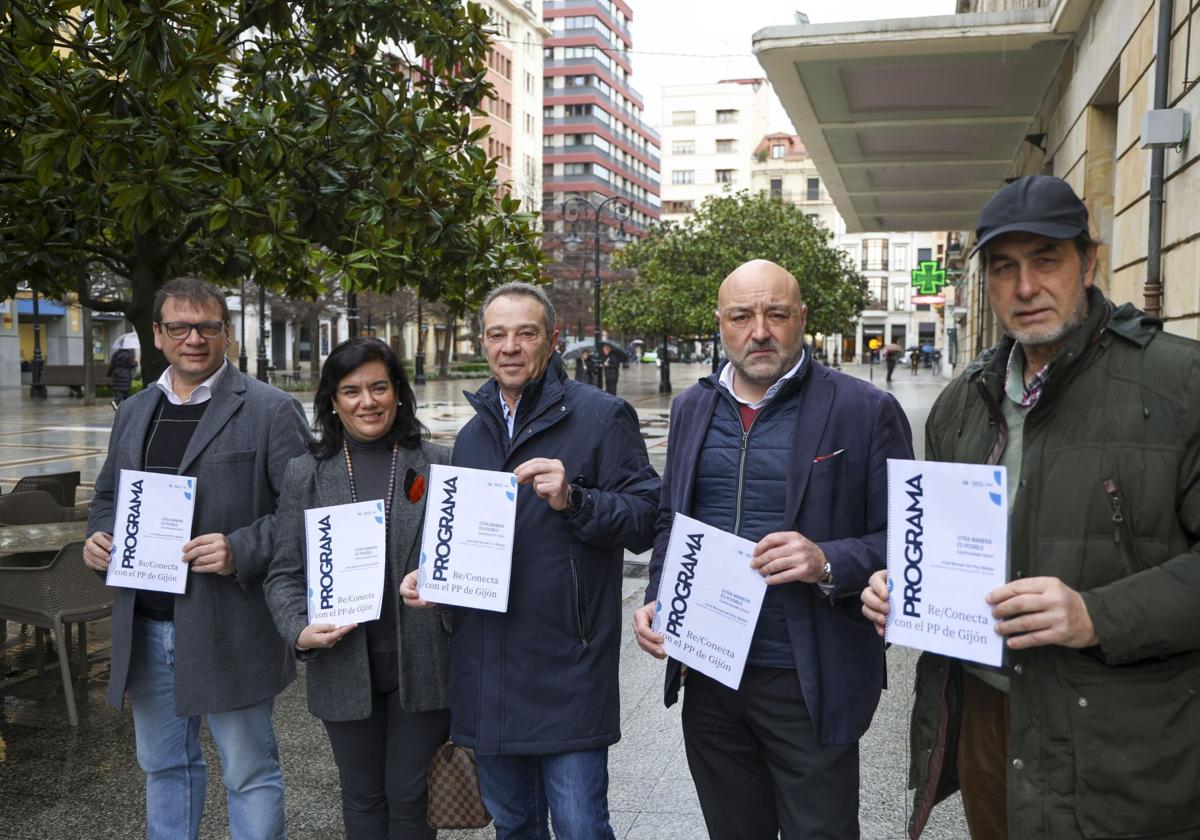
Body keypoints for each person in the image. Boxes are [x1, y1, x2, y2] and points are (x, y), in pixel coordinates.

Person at [861, 175, 1200, 840]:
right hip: (989, 722)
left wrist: (1095, 615)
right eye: (1004, 267)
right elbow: (952, 550)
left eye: (1046, 260)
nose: (1025, 287)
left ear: (1088, 263)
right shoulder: (963, 403)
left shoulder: (1178, 383)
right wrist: (904, 588)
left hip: (1125, 738)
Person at [632, 259, 914, 839]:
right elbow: (670, 519)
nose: (759, 330)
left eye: (776, 314)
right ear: (721, 323)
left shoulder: (864, 410)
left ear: (801, 319)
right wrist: (659, 597)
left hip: (807, 673)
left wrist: (828, 559)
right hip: (709, 673)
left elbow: (910, 541)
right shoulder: (693, 408)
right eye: (742, 316)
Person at [400, 281, 660, 840]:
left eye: (526, 333)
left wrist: (577, 500)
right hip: (485, 664)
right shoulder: (471, 436)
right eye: (497, 334)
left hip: (566, 664)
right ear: (484, 342)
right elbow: (460, 539)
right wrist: (433, 577)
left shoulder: (603, 416)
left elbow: (646, 517)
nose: (510, 346)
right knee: (514, 825)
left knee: (580, 825)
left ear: (553, 341)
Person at [83, 277, 310, 840]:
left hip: (229, 623)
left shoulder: (270, 410)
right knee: (164, 768)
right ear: (158, 334)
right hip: (146, 623)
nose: (194, 339)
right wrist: (99, 535)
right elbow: (110, 496)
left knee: (249, 772)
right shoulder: (136, 410)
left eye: (208, 326)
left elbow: (306, 510)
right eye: (180, 327)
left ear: (226, 333)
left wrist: (242, 548)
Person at [265, 337, 450, 840]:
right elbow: (284, 572)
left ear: (398, 394)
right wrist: (299, 631)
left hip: (425, 663)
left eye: (378, 388)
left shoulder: (439, 464)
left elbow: (465, 565)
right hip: (343, 662)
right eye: (351, 391)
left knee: (413, 797)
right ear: (332, 401)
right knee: (362, 797)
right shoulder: (306, 472)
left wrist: (445, 592)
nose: (367, 402)